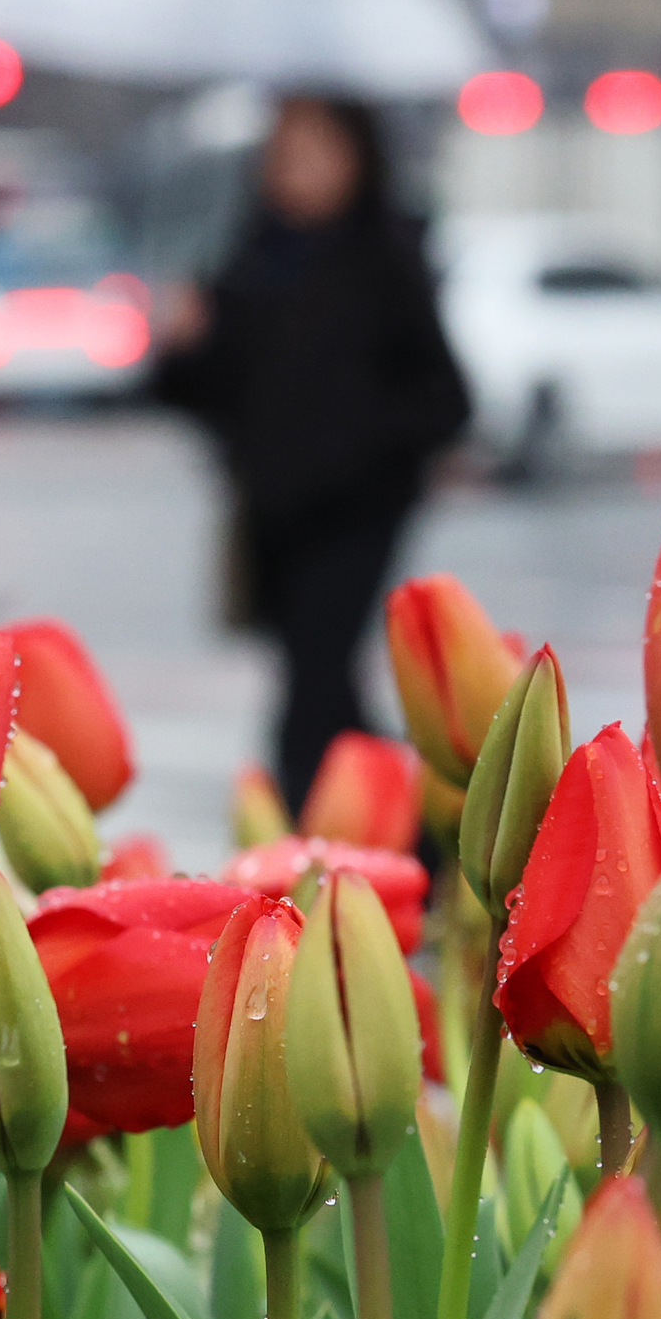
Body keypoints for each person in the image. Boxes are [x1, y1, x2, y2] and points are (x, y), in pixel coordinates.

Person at [153, 95, 470, 812]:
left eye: (317, 154)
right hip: (273, 514)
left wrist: (355, 441)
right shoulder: (248, 261)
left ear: (358, 161)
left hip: (358, 513)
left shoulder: (384, 259)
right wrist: (182, 344)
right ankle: (421, 835)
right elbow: (205, 393)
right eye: (285, 156)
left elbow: (446, 399)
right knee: (328, 687)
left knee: (311, 695)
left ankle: (321, 839)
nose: (297, 173)